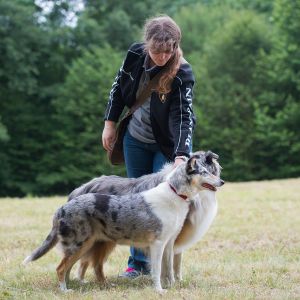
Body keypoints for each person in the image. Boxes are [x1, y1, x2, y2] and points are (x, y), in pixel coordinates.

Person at [102, 15, 195, 278]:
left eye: (168, 51)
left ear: (175, 46)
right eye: (156, 50)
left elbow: (184, 116)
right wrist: (110, 123)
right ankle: (137, 264)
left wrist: (181, 155)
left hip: (168, 146)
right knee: (136, 201)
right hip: (136, 140)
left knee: (163, 200)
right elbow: (118, 88)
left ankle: (164, 267)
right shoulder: (134, 54)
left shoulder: (183, 73)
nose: (162, 57)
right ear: (146, 45)